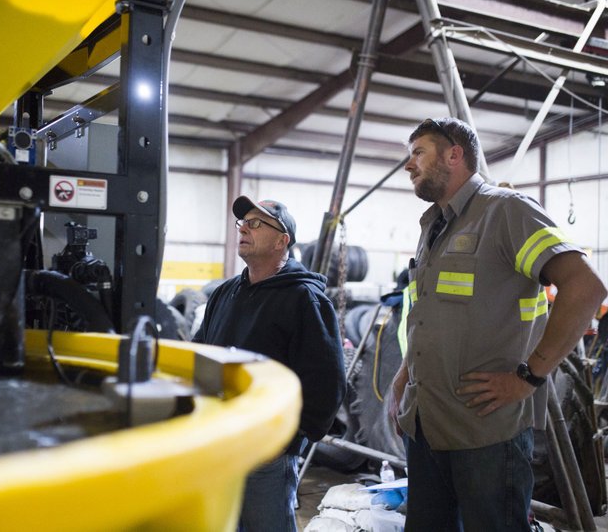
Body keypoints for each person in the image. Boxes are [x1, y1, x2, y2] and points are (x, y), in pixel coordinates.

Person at [389, 117, 607, 531]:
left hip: (484, 431)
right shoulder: (432, 224)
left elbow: (586, 288)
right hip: (425, 422)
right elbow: (428, 313)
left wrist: (529, 376)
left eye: (418, 152)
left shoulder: (506, 211)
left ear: (455, 155)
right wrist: (403, 376)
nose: (408, 165)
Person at [192, 196, 346, 532]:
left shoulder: (304, 298)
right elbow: (200, 350)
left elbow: (328, 378)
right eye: (242, 222)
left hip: (267, 450)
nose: (244, 227)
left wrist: (293, 438)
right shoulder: (224, 293)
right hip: (221, 440)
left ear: (282, 240)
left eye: (256, 222)